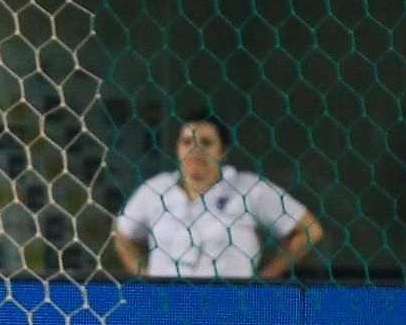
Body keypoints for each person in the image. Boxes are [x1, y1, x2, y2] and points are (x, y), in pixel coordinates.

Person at [113, 112, 323, 280]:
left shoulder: (249, 189)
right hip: (167, 311)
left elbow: (309, 230)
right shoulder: (155, 191)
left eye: (205, 142)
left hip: (229, 311)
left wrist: (267, 278)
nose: (195, 150)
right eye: (187, 142)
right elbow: (121, 233)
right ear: (177, 147)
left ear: (223, 151)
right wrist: (144, 275)